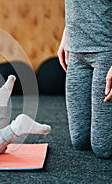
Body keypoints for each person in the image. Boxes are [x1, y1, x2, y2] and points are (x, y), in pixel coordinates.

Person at [57, 0, 112, 159]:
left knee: (103, 148)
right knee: (80, 141)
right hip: (76, 53)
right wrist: (67, 34)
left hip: (106, 52)